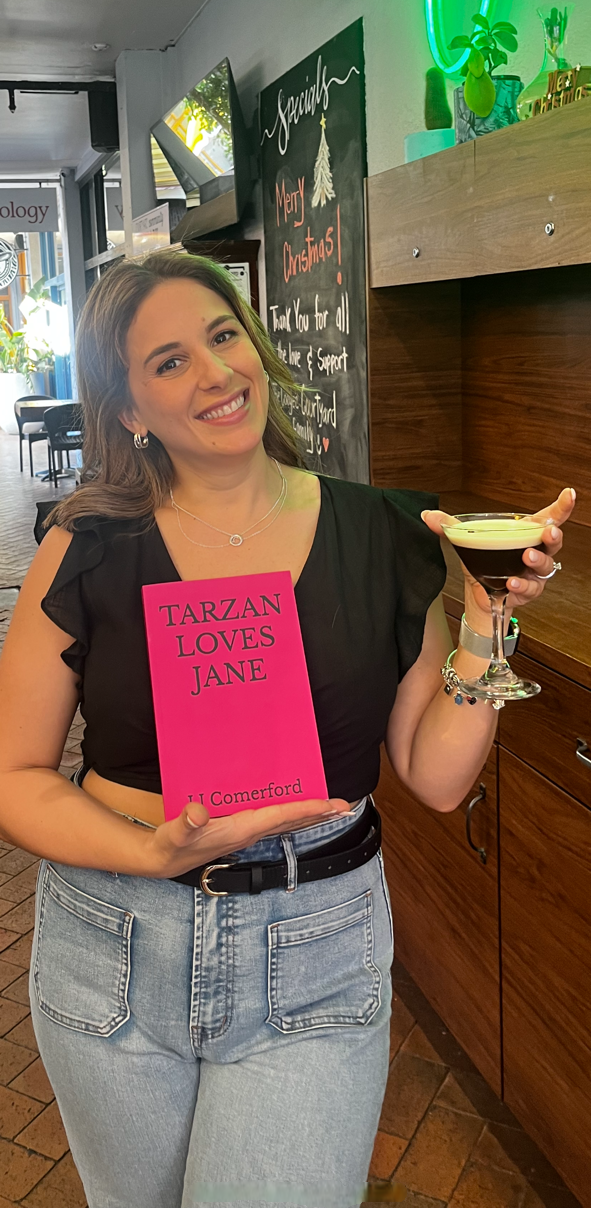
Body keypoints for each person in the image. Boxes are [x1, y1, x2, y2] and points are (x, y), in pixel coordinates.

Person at [0, 251, 572, 1208]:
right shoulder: (84, 544)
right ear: (131, 410)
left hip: (316, 937)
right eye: (170, 361)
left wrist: (485, 617)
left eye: (224, 336)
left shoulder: (380, 534)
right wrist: (151, 855)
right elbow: (14, 776)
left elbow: (435, 776)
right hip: (116, 938)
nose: (216, 373)